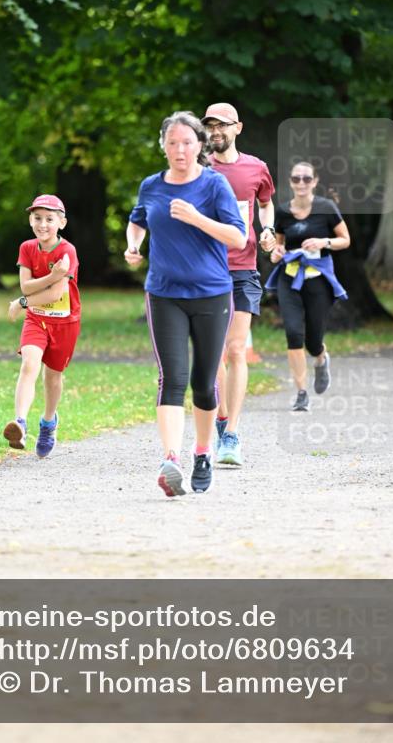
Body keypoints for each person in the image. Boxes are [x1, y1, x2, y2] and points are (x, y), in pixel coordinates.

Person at [124, 111, 247, 497]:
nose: (180, 150)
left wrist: (197, 219)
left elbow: (237, 238)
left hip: (211, 294)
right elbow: (138, 219)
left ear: (200, 145)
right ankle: (171, 459)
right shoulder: (151, 185)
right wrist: (133, 244)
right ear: (163, 145)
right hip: (163, 293)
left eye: (187, 142)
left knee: (204, 384)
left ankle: (203, 452)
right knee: (172, 378)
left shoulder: (214, 186)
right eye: (172, 143)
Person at [201, 102, 276, 467]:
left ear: (238, 128)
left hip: (243, 268)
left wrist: (268, 230)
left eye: (221, 125)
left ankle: (231, 434)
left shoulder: (256, 168)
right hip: (205, 272)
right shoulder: (198, 169)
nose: (215, 131)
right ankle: (220, 419)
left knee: (235, 350)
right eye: (209, 126)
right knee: (214, 354)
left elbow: (265, 205)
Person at [265, 162, 350, 411]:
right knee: (293, 333)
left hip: (318, 280)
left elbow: (345, 240)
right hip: (289, 278)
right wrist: (276, 254)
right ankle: (301, 393)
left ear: (314, 181)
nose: (301, 183)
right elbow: (279, 247)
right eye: (296, 179)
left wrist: (324, 241)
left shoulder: (326, 208)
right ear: (290, 182)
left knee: (313, 341)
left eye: (306, 179)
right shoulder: (282, 212)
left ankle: (321, 358)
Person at [3, 194, 81, 456]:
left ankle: (48, 422)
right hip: (36, 319)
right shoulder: (27, 248)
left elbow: (55, 294)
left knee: (53, 376)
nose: (43, 224)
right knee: (29, 364)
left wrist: (22, 301)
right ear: (30, 220)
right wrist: (51, 276)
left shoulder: (67, 251)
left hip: (64, 322)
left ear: (62, 222)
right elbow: (26, 285)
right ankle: (21, 424)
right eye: (37, 218)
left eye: (49, 219)